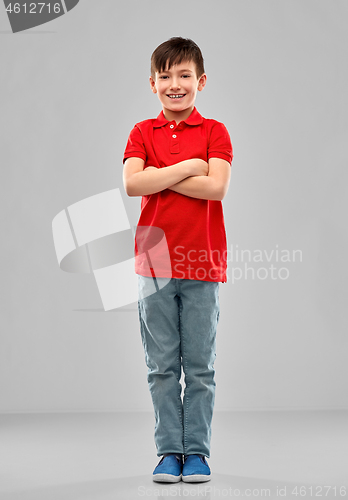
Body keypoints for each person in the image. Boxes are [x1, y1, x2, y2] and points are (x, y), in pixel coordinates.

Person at [122, 37, 233, 483]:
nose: (175, 84)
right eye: (165, 76)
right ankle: (169, 452)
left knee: (200, 365)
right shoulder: (140, 132)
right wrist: (191, 166)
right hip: (153, 265)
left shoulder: (215, 132)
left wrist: (159, 177)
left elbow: (217, 188)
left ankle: (198, 454)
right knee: (162, 366)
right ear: (152, 83)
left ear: (200, 81)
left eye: (184, 75)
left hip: (203, 262)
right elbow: (133, 185)